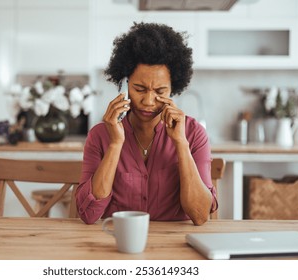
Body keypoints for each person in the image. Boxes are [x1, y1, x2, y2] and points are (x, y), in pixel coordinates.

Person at [75, 22, 217, 225]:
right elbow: (89, 215)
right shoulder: (100, 135)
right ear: (125, 84)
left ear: (173, 89)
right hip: (116, 244)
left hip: (175, 247)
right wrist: (115, 145)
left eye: (160, 92)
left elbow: (200, 215)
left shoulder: (193, 134)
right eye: (139, 89)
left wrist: (181, 144)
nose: (149, 101)